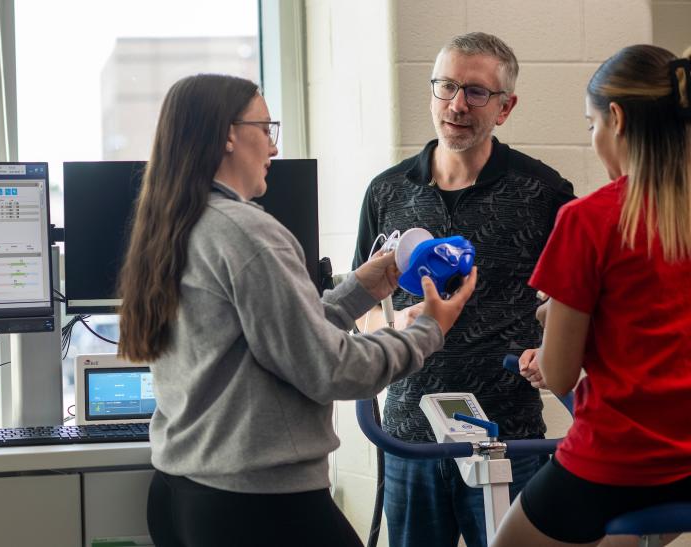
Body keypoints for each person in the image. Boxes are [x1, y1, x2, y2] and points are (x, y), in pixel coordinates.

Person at [116, 73, 477, 547]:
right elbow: (329, 368)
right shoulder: (248, 232)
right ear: (228, 134)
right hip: (257, 505)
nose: (273, 147)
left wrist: (361, 289)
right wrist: (429, 328)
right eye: (266, 128)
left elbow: (277, 342)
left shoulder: (178, 223)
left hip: (182, 494)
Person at [352, 32, 575, 547]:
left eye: (476, 92)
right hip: (408, 432)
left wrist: (553, 350)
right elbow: (360, 309)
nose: (456, 105)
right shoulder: (387, 191)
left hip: (509, 437)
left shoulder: (543, 192)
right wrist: (392, 325)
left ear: (506, 107)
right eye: (446, 86)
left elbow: (575, 296)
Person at [493, 44, 691, 547]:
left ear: (617, 119)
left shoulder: (588, 219)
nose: (595, 140)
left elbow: (558, 374)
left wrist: (552, 316)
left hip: (619, 462)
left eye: (591, 126)